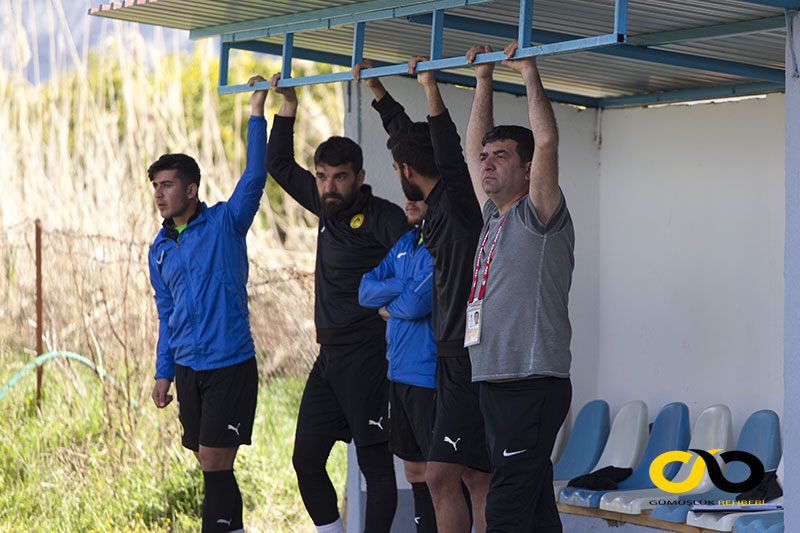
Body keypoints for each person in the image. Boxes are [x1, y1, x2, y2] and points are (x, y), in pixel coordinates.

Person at [266, 72, 409, 533]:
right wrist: (287, 106)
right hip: (328, 359)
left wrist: (394, 308)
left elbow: (423, 267)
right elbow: (280, 165)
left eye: (339, 178)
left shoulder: (383, 218)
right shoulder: (325, 204)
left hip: (369, 357)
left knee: (375, 470)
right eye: (323, 176)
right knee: (305, 459)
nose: (329, 186)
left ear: (359, 178)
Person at [354, 58, 491, 533]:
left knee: (445, 477)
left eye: (398, 169)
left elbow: (447, 150)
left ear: (408, 170)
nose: (398, 174)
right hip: (448, 358)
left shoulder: (454, 207)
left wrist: (431, 86)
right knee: (470, 475)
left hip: (467, 358)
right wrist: (376, 90)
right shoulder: (431, 212)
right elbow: (409, 140)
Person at [148, 76, 268, 533]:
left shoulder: (226, 223)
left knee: (216, 460)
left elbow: (255, 176)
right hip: (188, 368)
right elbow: (167, 314)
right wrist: (164, 371)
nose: (160, 194)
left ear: (192, 189)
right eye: (156, 186)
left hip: (230, 363)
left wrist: (256, 111)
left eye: (168, 185)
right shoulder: (159, 249)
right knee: (208, 461)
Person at [464, 41, 574, 532]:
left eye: (501, 156)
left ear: (527, 169)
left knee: (506, 505)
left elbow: (547, 143)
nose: (487, 163)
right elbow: (469, 151)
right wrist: (484, 80)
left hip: (531, 380)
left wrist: (529, 73)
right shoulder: (492, 216)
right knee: (531, 504)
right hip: (494, 378)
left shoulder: (540, 211)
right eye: (487, 156)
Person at [359, 197, 437, 533]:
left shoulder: (442, 245)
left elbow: (419, 303)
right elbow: (364, 291)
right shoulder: (405, 243)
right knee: (414, 471)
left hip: (427, 376)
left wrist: (390, 302)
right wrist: (402, 286)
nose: (408, 200)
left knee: (440, 474)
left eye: (417, 193)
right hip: (397, 372)